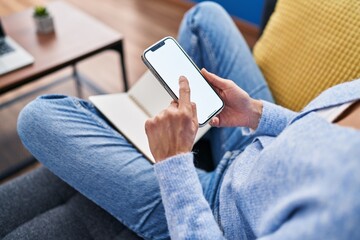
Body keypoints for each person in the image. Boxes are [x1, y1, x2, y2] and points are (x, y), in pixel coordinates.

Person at [16, 2, 360, 239]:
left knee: (37, 117)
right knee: (204, 17)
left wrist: (174, 162)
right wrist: (256, 113)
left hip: (214, 210)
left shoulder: (346, 211)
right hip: (257, 143)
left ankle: (150, 137)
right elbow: (319, 132)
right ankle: (149, 126)